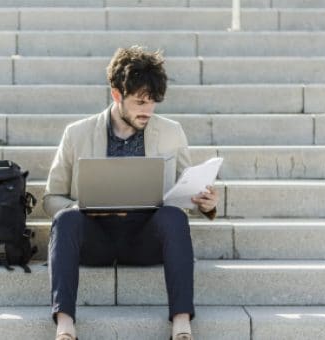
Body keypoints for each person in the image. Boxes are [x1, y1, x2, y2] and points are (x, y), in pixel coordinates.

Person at [43, 46, 219, 340]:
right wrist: (78, 207)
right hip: (95, 237)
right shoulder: (77, 134)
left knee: (174, 218)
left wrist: (205, 203)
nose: (147, 111)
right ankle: (65, 325)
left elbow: (185, 190)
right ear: (116, 95)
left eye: (153, 103)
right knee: (65, 221)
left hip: (144, 238)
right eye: (139, 102)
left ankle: (181, 322)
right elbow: (51, 199)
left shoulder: (172, 132)